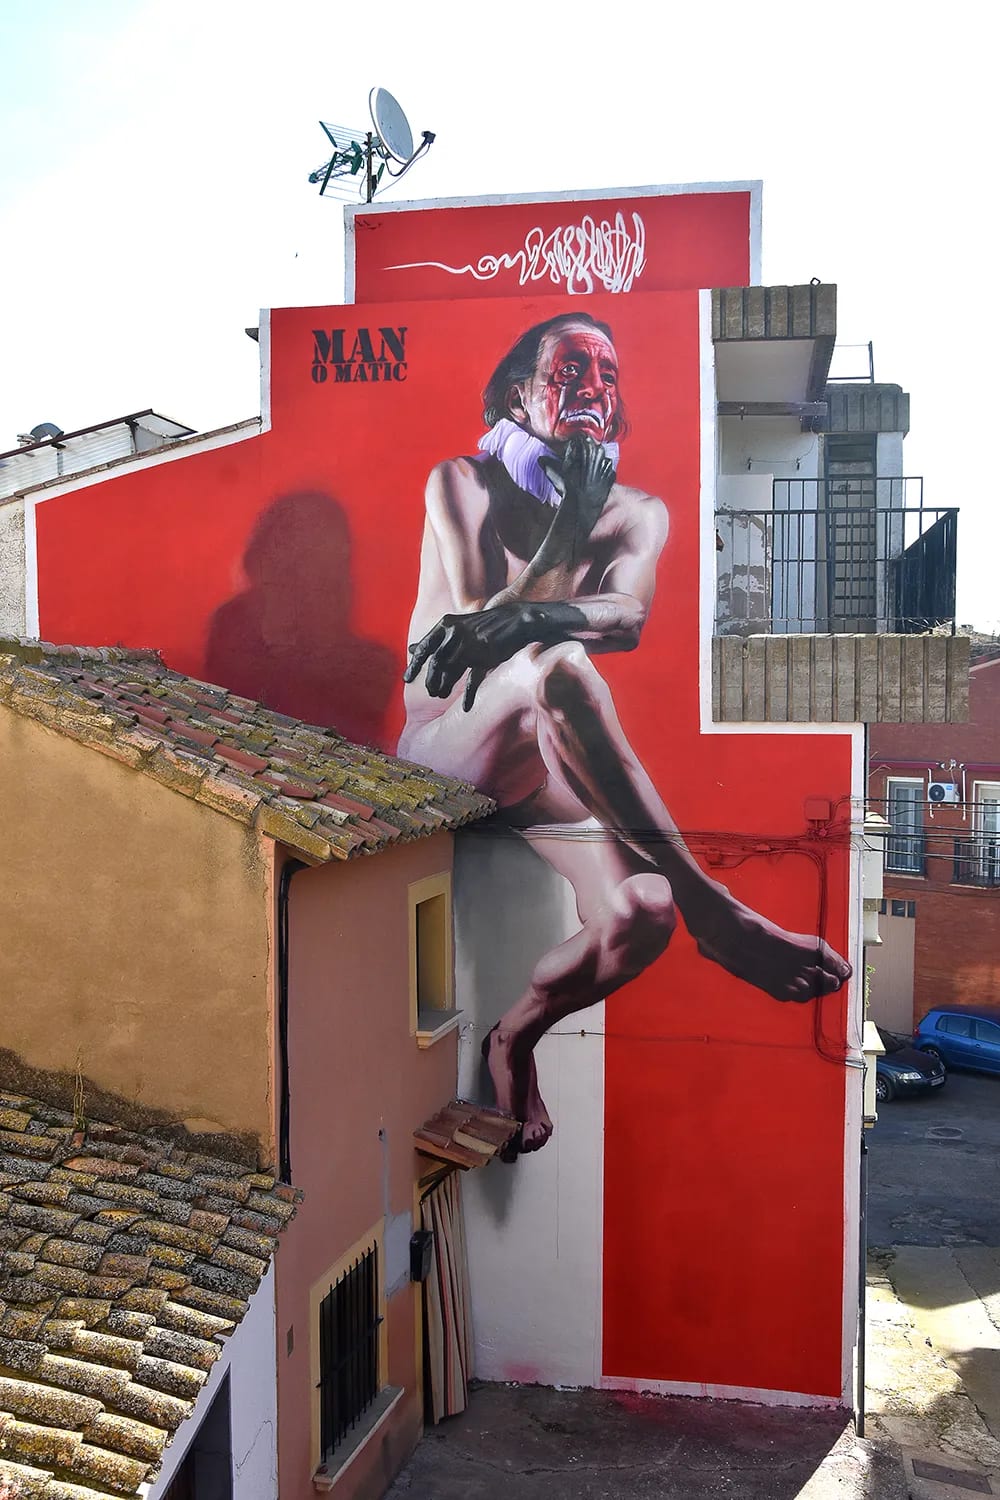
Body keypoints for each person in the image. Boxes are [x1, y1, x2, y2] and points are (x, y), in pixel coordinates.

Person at [399, 312, 850, 1158]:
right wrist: (569, 529)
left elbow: (629, 614)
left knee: (643, 911)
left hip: (544, 774)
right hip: (452, 747)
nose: (591, 390)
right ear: (519, 397)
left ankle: (516, 1038)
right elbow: (479, 636)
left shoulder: (639, 512)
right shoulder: (459, 481)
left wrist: (578, 536)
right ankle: (717, 912)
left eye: (606, 377)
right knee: (560, 665)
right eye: (568, 372)